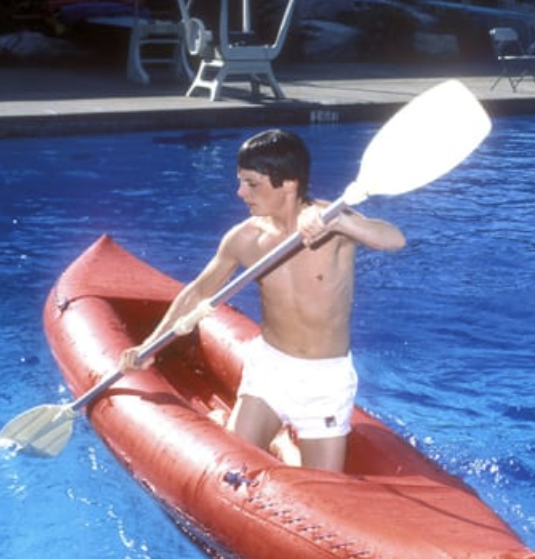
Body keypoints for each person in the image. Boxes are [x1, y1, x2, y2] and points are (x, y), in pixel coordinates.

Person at [119, 129, 406, 472]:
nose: (240, 193)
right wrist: (149, 346)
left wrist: (344, 223)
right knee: (232, 467)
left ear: (288, 184)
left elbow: (394, 239)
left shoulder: (334, 224)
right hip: (270, 370)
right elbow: (198, 291)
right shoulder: (245, 238)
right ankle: (274, 436)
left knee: (323, 488)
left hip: (325, 380)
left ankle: (282, 445)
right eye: (241, 182)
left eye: (252, 183)